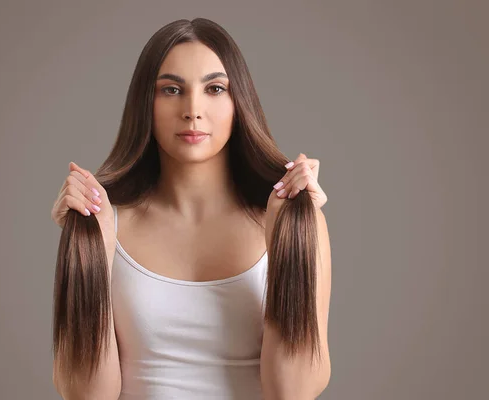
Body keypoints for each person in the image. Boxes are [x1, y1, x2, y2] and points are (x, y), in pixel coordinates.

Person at [50, 18, 331, 400]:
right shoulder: (101, 223)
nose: (193, 109)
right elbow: (86, 395)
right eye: (171, 89)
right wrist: (88, 251)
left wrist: (291, 238)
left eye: (215, 88)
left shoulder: (290, 221)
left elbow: (292, 392)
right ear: (144, 105)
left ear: (239, 103)